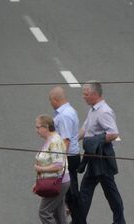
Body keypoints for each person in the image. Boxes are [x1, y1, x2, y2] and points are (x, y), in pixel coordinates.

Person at [77, 81, 126, 224]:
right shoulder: (93, 110)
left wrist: (94, 141)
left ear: (94, 94)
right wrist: (69, 142)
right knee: (86, 191)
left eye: (86, 94)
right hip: (93, 157)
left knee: (111, 193)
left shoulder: (104, 111)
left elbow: (113, 133)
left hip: (102, 158)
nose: (83, 97)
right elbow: (85, 129)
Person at [49, 86, 82, 224]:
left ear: (55, 100)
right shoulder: (69, 111)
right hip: (71, 156)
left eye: (50, 100)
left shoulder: (64, 115)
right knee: (69, 192)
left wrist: (60, 161)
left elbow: (65, 140)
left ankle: (79, 220)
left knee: (71, 193)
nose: (50, 103)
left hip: (68, 157)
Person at [34, 114, 70, 224]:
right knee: (59, 215)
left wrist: (40, 169)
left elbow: (58, 165)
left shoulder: (55, 141)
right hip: (56, 181)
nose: (36, 130)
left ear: (46, 127)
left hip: (57, 182)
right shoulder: (51, 140)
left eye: (38, 127)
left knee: (44, 212)